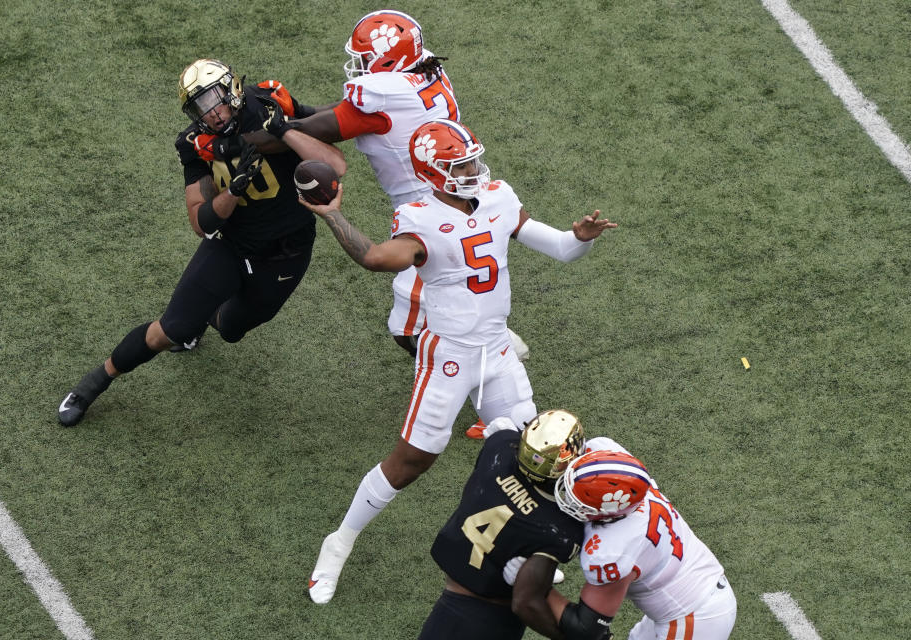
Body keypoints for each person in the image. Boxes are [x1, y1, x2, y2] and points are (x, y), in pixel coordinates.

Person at [299, 118, 618, 604]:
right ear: (432, 173)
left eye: (471, 159)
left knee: (534, 459)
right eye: (459, 164)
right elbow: (375, 258)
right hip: (448, 353)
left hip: (497, 348)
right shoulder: (420, 217)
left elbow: (559, 247)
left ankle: (519, 551)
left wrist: (582, 236)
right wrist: (332, 215)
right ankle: (338, 542)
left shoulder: (498, 197)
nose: (472, 169)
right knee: (412, 461)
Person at [196, 10, 528, 438]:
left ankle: (490, 374)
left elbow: (312, 131)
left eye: (366, 57)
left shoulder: (382, 96)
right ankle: (489, 359)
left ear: (387, 61)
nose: (359, 65)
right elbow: (334, 122)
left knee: (406, 327)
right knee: (435, 308)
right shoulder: (425, 72)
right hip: (458, 197)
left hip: (432, 213)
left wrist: (247, 135)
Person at [56, 59, 346, 426]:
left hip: (285, 256)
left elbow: (335, 163)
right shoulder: (197, 145)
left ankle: (204, 319)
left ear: (231, 89)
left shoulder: (267, 105)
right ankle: (94, 383)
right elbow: (200, 221)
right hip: (232, 244)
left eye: (214, 100)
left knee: (230, 329)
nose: (212, 113)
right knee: (170, 329)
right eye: (200, 107)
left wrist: (285, 130)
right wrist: (233, 192)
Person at [417, 410, 586, 640]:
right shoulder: (561, 528)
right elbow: (526, 602)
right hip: (493, 621)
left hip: (448, 606)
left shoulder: (499, 448)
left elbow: (508, 439)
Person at [545, 439, 738, 640]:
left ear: (607, 513)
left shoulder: (615, 548)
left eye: (579, 500)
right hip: (700, 592)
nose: (567, 497)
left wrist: (533, 586)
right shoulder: (626, 482)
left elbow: (584, 628)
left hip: (693, 617)